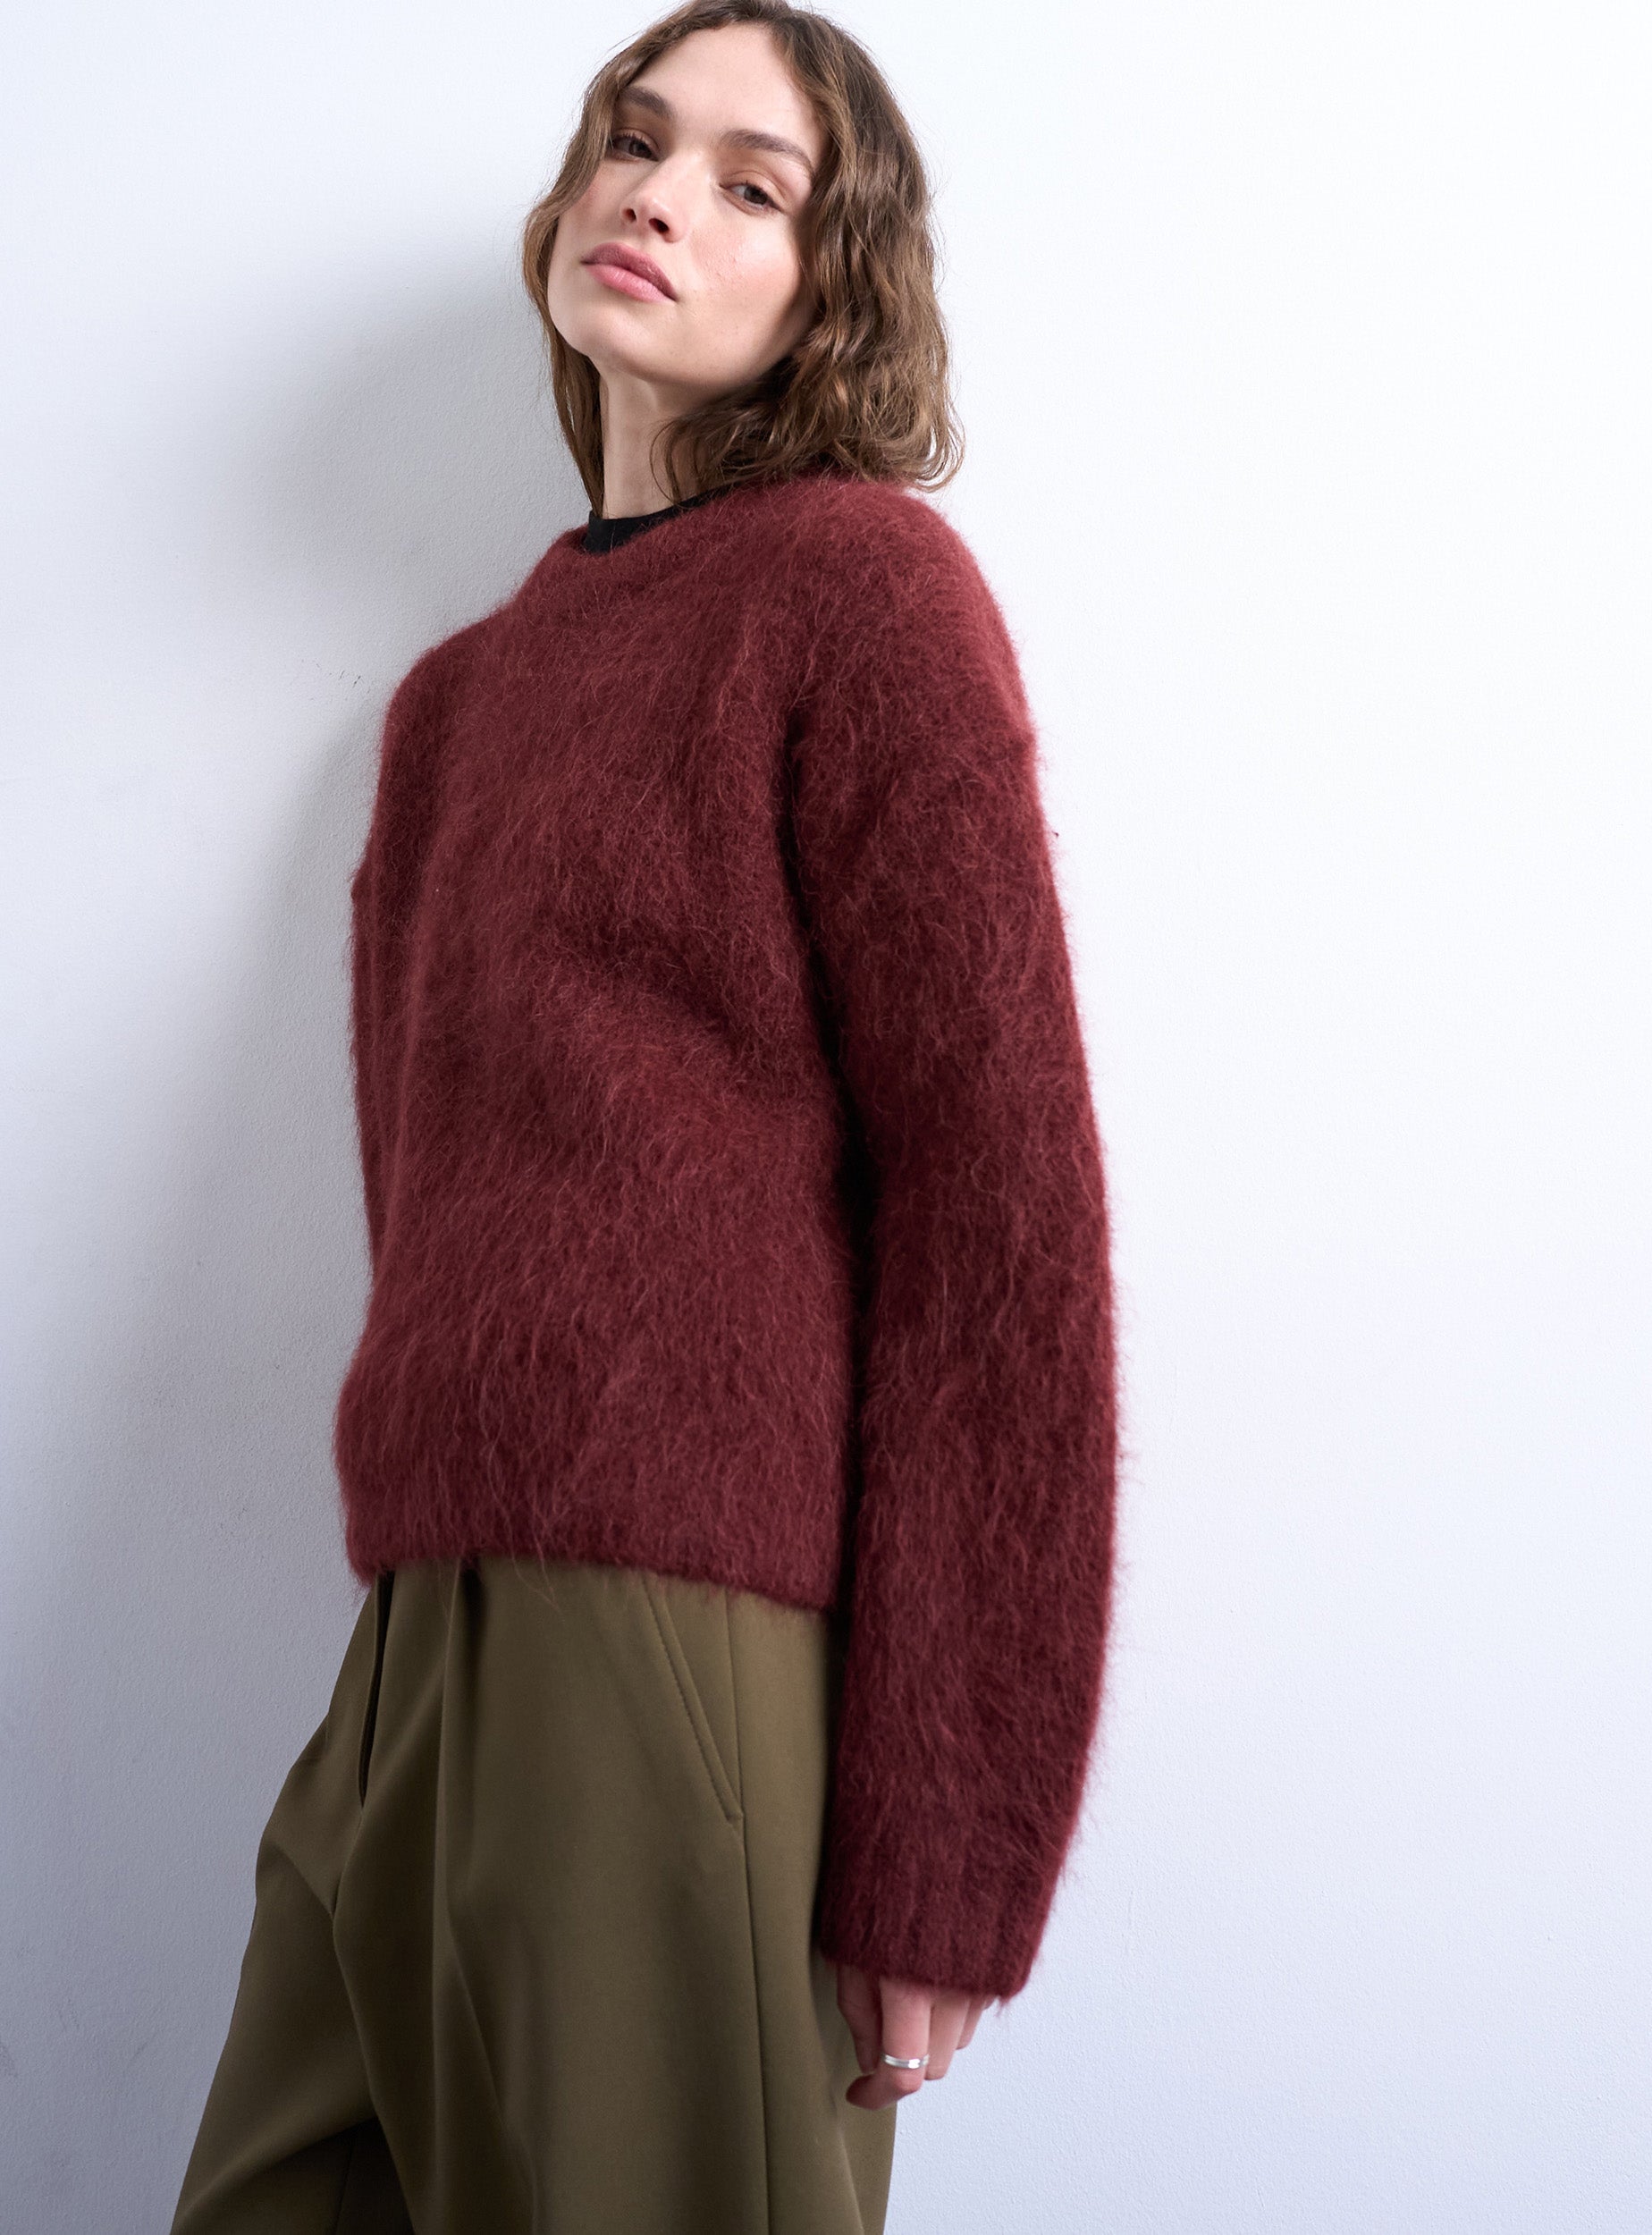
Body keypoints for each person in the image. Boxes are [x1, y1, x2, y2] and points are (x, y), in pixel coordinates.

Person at [167, 3, 1121, 2229]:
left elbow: (999, 1218)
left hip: (671, 1649)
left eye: (748, 182)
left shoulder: (857, 590)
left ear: (828, 287)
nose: (657, 192)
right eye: (633, 134)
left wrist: (947, 1832)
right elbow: (425, 1195)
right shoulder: (451, 707)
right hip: (414, 1644)